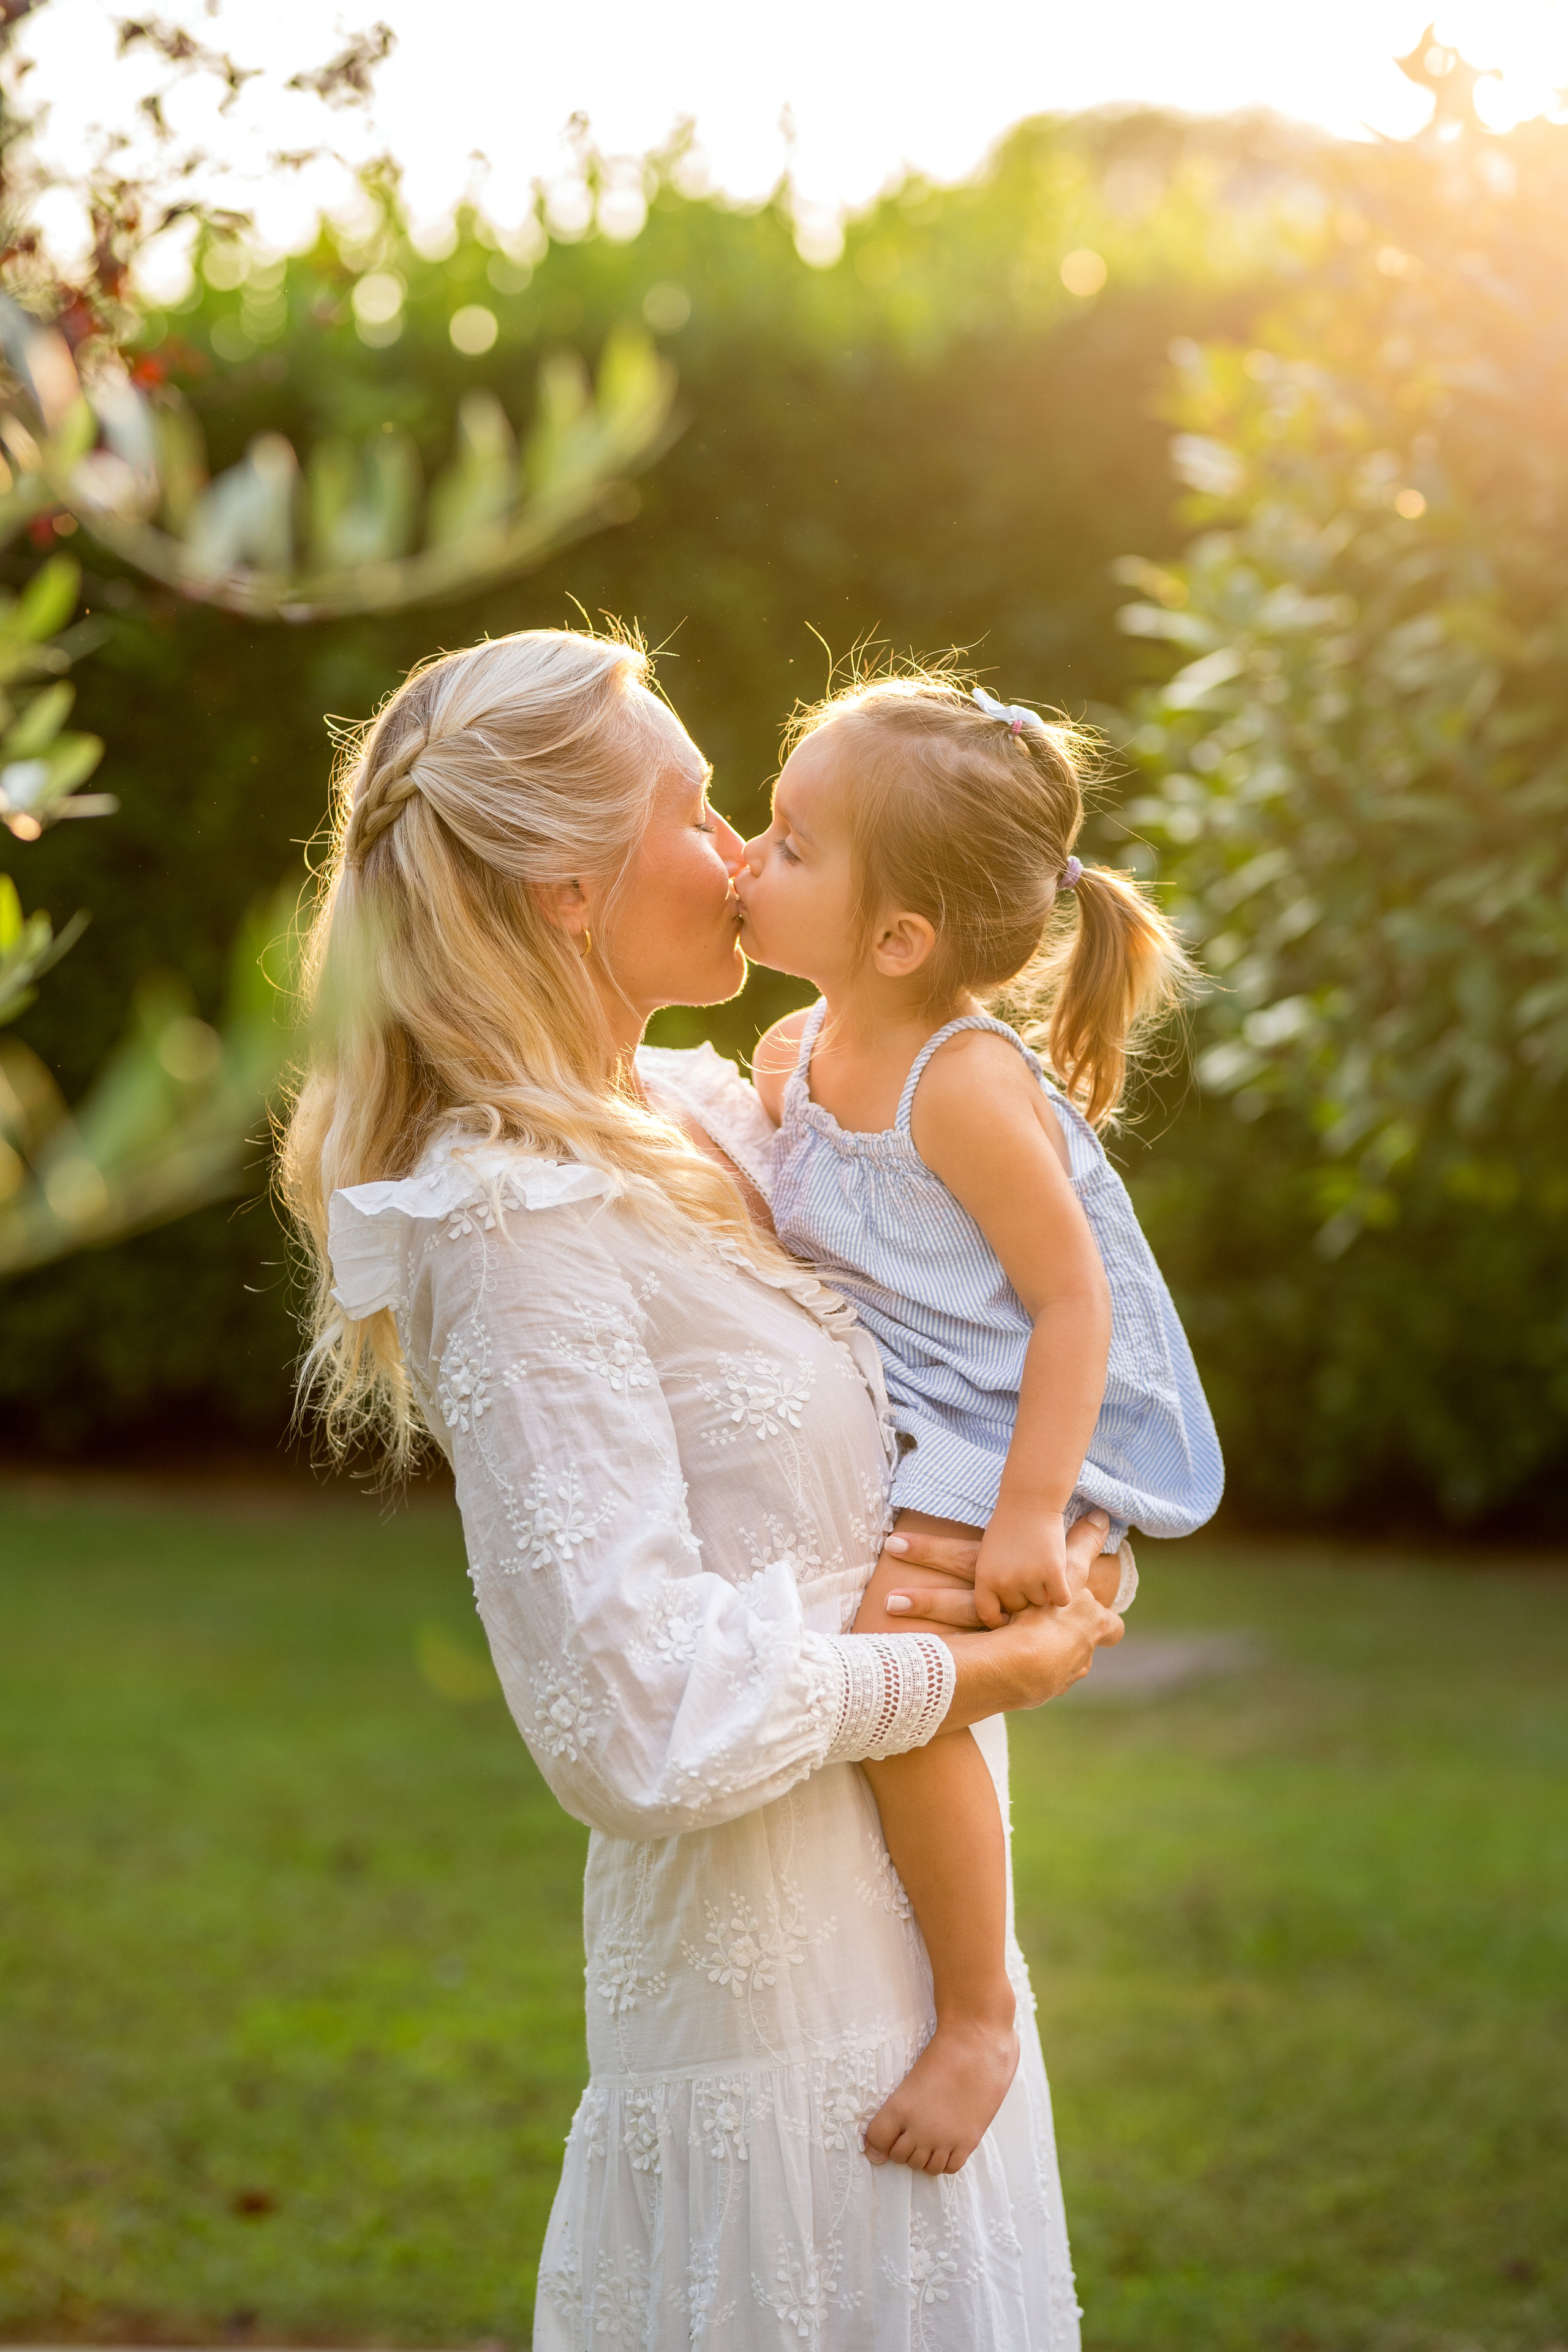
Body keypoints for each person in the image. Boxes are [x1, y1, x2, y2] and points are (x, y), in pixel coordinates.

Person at [279, 628, 1128, 2351]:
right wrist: (980, 1670)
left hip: (917, 1987)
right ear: (567, 890)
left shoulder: (703, 1118)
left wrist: (1060, 1513)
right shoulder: (510, 1222)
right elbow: (628, 1717)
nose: (741, 851)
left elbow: (968, 1337)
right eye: (699, 807)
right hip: (777, 2042)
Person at [733, 669, 1224, 2177]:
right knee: (892, 1638)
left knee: (902, 1648)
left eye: (790, 843)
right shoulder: (800, 1052)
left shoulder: (959, 1085)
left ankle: (974, 2014)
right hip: (920, 1397)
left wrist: (1025, 1514)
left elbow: (1073, 1308)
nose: (748, 858)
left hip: (1015, 1414)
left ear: (898, 937)